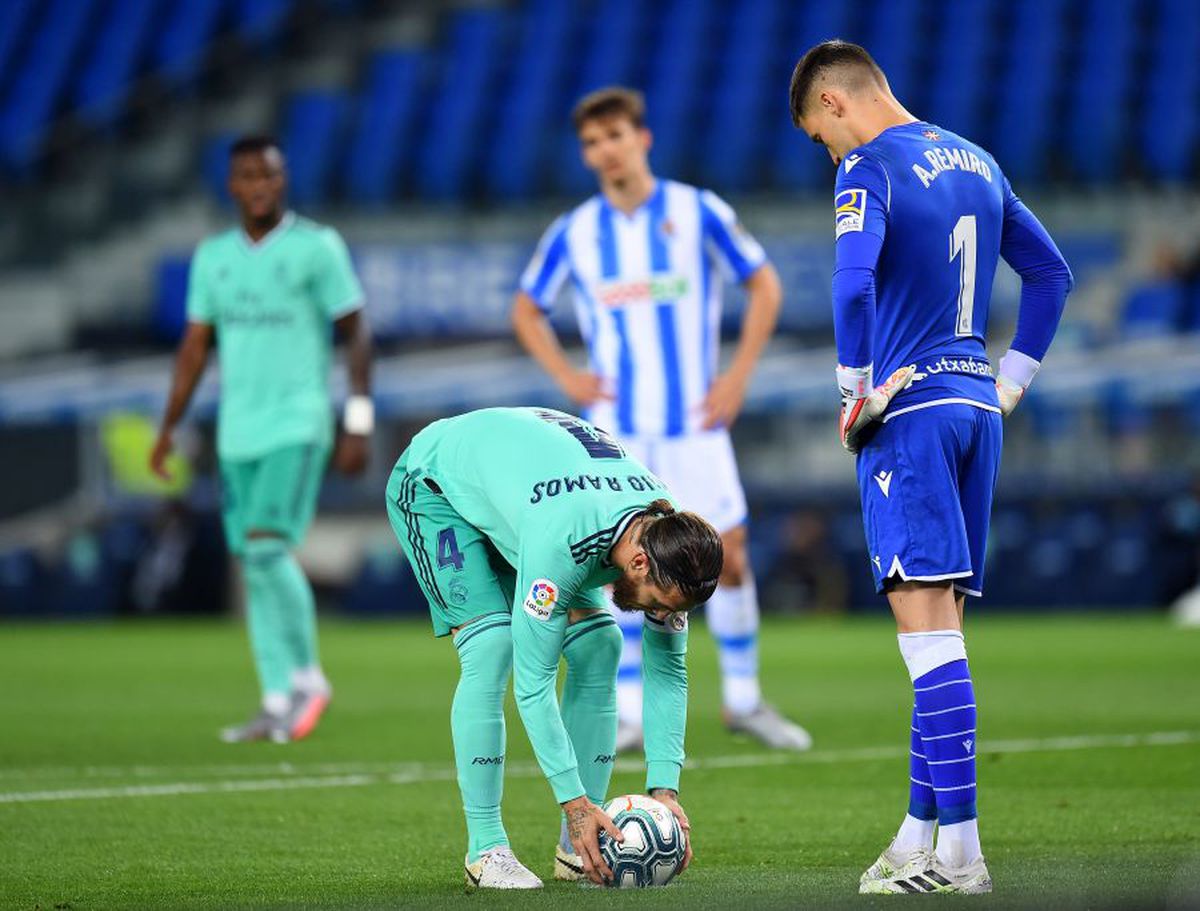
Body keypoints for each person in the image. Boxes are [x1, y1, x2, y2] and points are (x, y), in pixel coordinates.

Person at [789, 41, 1073, 894]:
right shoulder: (979, 161)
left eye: (819, 138)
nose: (828, 156)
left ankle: (962, 856)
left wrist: (853, 391)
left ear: (835, 103)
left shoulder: (868, 167)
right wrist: (1009, 384)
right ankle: (917, 836)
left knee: (927, 642)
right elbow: (1051, 276)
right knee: (941, 634)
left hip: (907, 412)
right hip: (976, 406)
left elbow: (851, 287)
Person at [512, 86, 811, 753]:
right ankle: (627, 712)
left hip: (693, 424)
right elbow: (527, 308)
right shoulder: (575, 231)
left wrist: (737, 375)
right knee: (624, 566)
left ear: (641, 139)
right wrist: (568, 378)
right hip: (615, 435)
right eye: (592, 142)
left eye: (615, 136)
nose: (605, 151)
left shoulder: (697, 210)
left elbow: (763, 283)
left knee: (730, 557)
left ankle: (743, 699)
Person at [385, 407, 721, 889]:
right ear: (639, 563)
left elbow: (668, 672)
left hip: (528, 498)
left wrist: (665, 789)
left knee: (600, 645)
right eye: (658, 603)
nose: (658, 614)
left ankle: (580, 849)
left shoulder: (669, 535)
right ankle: (487, 850)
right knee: (492, 646)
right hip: (438, 486)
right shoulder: (565, 543)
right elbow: (533, 686)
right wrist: (573, 801)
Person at [150, 135, 373, 743]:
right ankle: (275, 699)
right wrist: (168, 427)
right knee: (253, 563)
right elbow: (194, 348)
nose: (258, 184)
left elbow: (356, 332)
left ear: (283, 179)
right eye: (247, 175)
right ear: (232, 185)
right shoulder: (212, 257)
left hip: (297, 424)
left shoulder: (317, 247)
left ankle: (309, 679)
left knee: (267, 547)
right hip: (237, 434)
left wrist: (357, 420)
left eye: (268, 174)